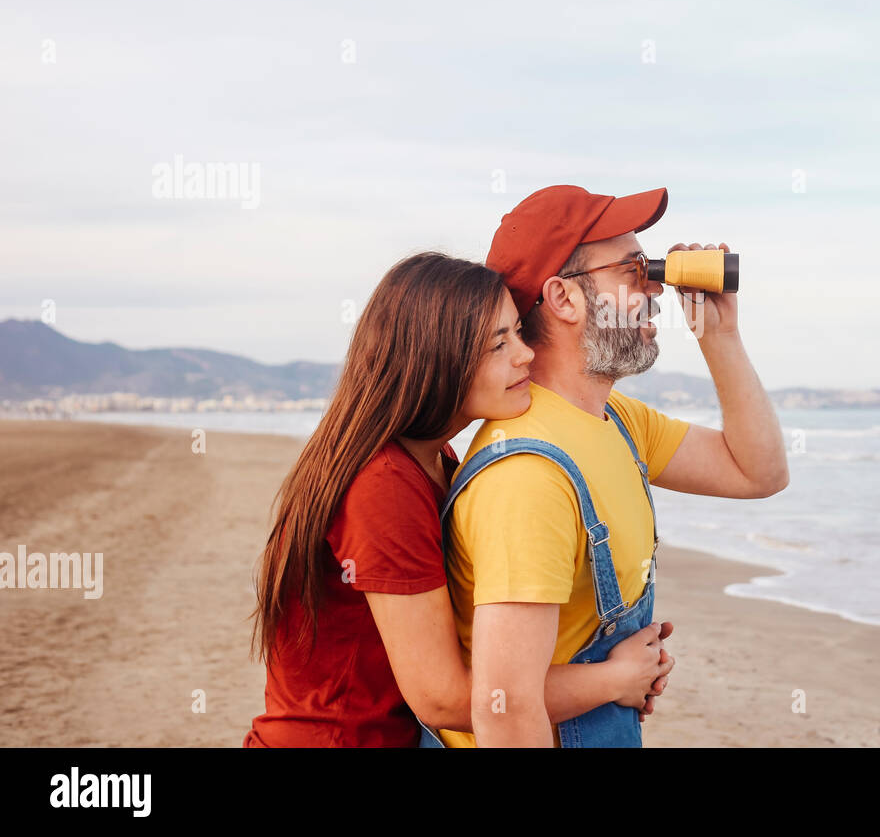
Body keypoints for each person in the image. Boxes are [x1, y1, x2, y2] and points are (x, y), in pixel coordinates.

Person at [242, 251, 674, 747]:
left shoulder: (433, 459)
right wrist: (614, 681)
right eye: (498, 344)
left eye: (517, 331)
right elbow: (443, 698)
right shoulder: (383, 486)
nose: (525, 355)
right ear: (433, 357)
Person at [436, 184, 789, 748]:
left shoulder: (614, 419)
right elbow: (505, 708)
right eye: (633, 269)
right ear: (564, 298)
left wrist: (720, 335)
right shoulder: (528, 475)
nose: (656, 285)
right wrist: (613, 680)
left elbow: (757, 472)